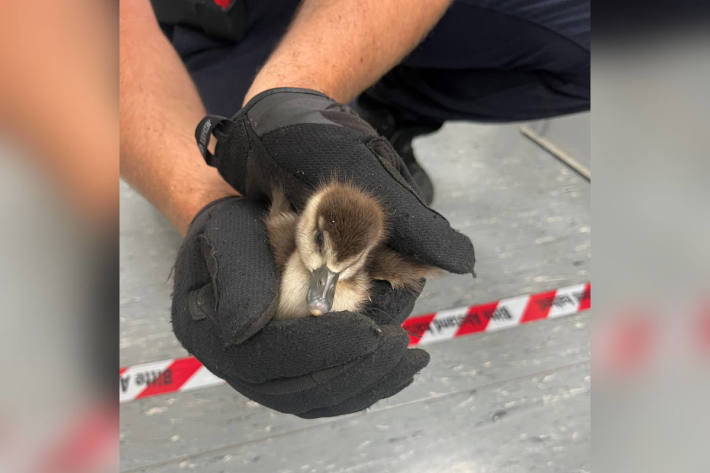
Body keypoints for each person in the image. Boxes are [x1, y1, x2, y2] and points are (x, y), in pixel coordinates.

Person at [120, 0, 589, 418]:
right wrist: (202, 199)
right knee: (227, 162)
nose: (322, 288)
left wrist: (291, 100)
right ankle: (286, 136)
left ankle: (386, 108)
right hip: (196, 26)